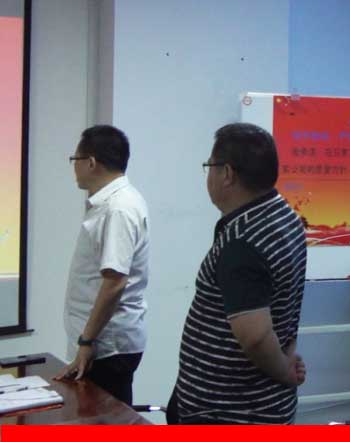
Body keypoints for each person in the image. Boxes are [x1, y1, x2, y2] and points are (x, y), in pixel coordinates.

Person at [168, 123, 307, 424]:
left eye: (210, 167)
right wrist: (287, 360)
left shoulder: (243, 241)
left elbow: (255, 337)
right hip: (259, 404)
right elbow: (284, 304)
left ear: (227, 174)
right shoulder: (284, 215)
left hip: (230, 412)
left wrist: (286, 372)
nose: (208, 175)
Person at [57, 125, 150, 406]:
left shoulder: (117, 208)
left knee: (106, 422)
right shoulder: (113, 203)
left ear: (91, 162)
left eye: (75, 160)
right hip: (103, 343)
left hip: (107, 347)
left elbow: (114, 283)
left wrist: (86, 341)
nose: (74, 167)